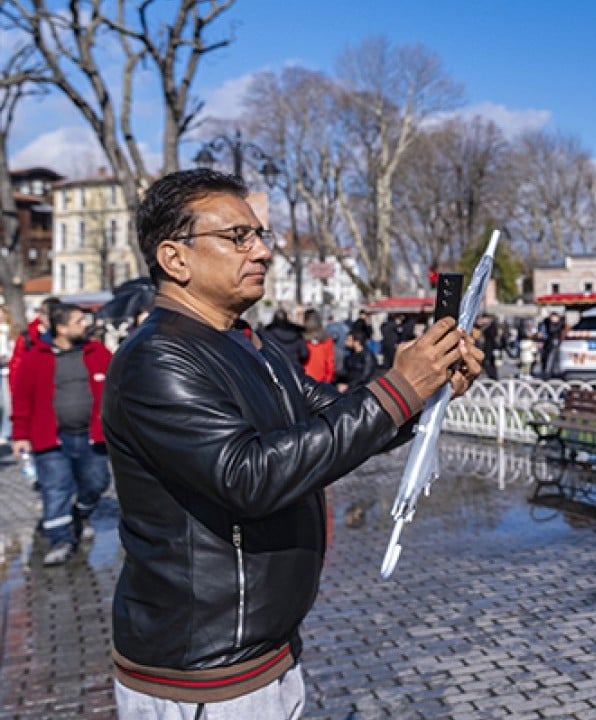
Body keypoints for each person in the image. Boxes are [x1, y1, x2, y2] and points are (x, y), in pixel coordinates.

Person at [101, 169, 483, 717]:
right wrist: (400, 391)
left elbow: (334, 416)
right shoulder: (157, 358)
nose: (261, 252)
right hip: (204, 672)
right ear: (174, 258)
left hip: (263, 651)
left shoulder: (244, 343)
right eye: (238, 237)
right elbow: (249, 478)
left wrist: (424, 389)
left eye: (261, 236)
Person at [11, 302, 113, 566]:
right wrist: (20, 435)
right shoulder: (37, 357)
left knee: (97, 482)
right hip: (52, 438)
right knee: (55, 489)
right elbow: (22, 398)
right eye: (79, 321)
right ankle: (60, 539)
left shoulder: (97, 352)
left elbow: (117, 386)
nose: (85, 325)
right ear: (61, 327)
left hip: (92, 436)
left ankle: (80, 513)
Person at [7, 296, 61, 401]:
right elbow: (16, 368)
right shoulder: (28, 337)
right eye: (44, 313)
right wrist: (17, 396)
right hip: (34, 394)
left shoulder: (66, 335)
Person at [334, 326, 377, 391]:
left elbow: (365, 376)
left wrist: (348, 386)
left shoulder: (367, 356)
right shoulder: (351, 354)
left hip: (360, 389)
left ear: (357, 342)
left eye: (348, 340)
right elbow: (345, 372)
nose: (345, 342)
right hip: (349, 386)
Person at [301, 309, 335, 384]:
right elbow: (330, 364)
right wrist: (327, 381)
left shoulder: (302, 339)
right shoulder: (327, 340)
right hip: (321, 381)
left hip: (305, 380)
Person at [537, 311, 565, 378]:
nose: (552, 318)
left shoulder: (560, 323)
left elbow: (552, 330)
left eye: (554, 317)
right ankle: (547, 372)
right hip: (548, 343)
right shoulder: (547, 322)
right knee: (546, 358)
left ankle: (549, 372)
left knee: (552, 358)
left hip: (555, 342)